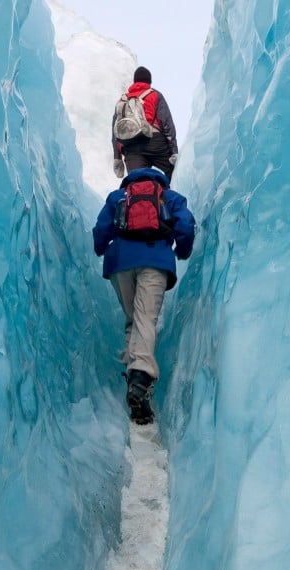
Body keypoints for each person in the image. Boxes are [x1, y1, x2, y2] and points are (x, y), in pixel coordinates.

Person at [92, 167, 196, 425]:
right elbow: (185, 225)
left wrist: (101, 248)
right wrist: (182, 251)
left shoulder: (118, 197)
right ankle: (140, 381)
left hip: (120, 264)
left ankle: (132, 375)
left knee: (133, 320)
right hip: (155, 261)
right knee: (145, 319)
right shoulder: (170, 197)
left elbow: (102, 229)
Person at [112, 66, 179, 181]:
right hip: (154, 142)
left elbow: (115, 132)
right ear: (149, 82)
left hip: (130, 147)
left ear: (134, 81)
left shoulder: (122, 100)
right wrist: (174, 151)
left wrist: (117, 157)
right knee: (174, 173)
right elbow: (167, 124)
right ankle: (165, 191)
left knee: (137, 182)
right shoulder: (155, 95)